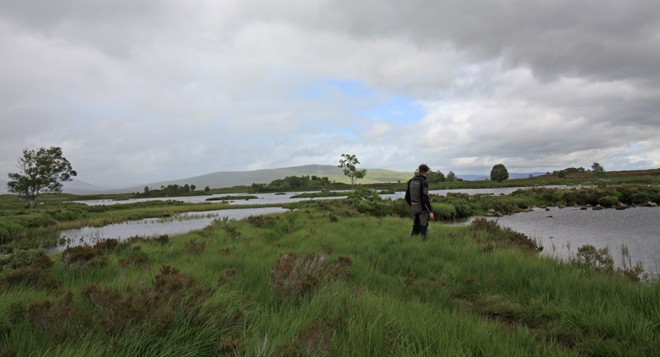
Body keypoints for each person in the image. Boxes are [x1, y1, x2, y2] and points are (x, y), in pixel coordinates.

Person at [405, 164, 435, 240]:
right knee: (424, 226)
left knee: (415, 225)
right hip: (422, 209)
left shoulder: (411, 181)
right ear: (426, 172)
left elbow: (407, 197)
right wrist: (430, 212)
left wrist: (412, 205)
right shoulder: (424, 182)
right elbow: (425, 199)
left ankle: (412, 242)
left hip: (413, 208)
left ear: (419, 171)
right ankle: (424, 243)